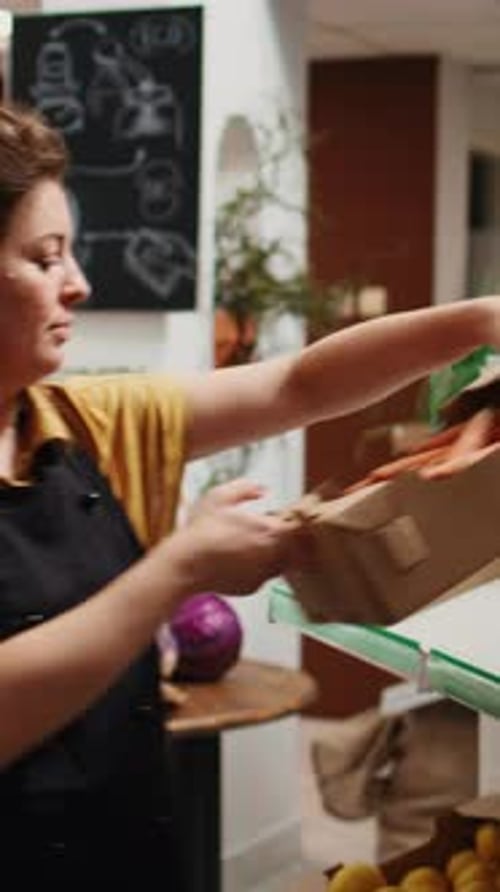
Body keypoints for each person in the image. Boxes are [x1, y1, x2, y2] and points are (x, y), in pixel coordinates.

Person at [0, 99, 498, 887]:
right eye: (45, 257)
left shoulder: (77, 422)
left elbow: (300, 385)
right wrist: (177, 572)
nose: (80, 285)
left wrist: (481, 321)